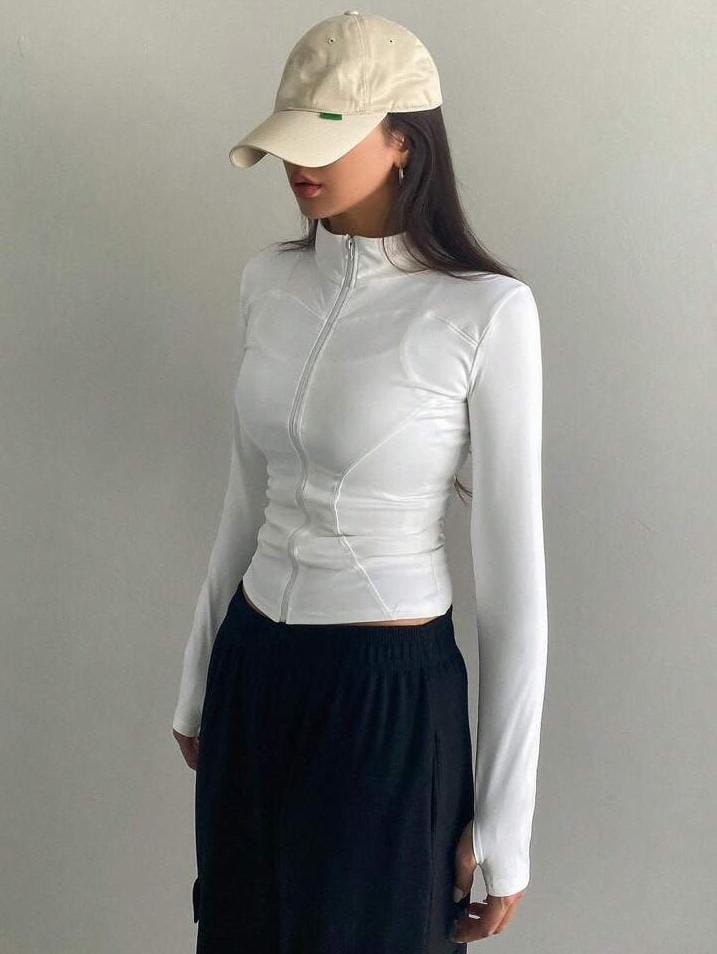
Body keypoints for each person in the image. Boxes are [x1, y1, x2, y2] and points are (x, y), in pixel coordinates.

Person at [172, 12, 548, 953]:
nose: (298, 165)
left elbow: (513, 589)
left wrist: (504, 822)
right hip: (253, 669)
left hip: (384, 700)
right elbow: (245, 499)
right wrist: (198, 679)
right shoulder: (268, 283)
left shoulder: (485, 313)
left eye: (326, 135)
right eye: (289, 137)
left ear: (402, 140)